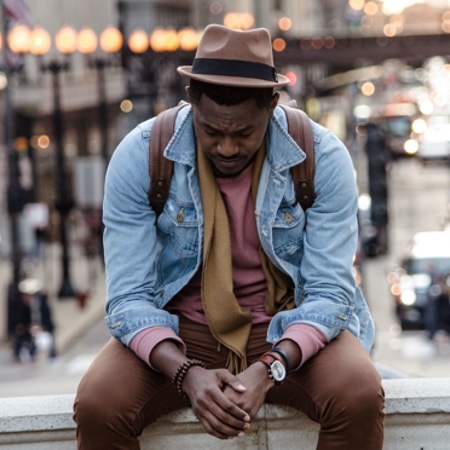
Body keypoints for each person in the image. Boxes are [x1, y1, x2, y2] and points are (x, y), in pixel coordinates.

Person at [73, 24, 385, 449]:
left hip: (287, 325)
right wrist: (185, 372)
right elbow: (128, 299)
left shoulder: (321, 157)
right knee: (99, 404)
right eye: (211, 131)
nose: (226, 148)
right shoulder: (140, 155)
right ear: (191, 100)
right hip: (179, 331)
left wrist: (270, 367)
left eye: (243, 134)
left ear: (272, 106)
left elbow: (330, 293)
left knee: (358, 393)